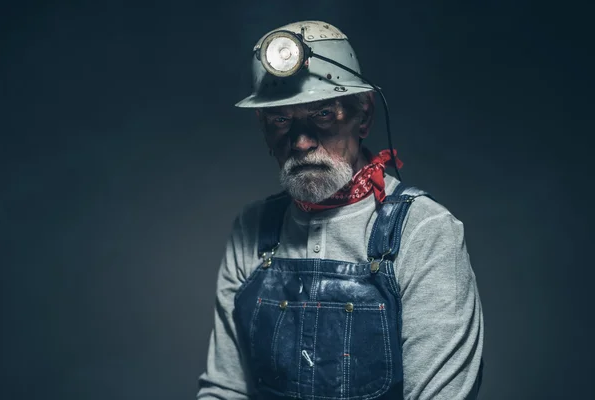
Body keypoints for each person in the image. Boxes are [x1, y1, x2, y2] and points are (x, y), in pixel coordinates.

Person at [197, 20, 484, 400]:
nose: (300, 142)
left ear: (363, 115)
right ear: (262, 126)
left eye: (322, 114)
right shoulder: (252, 229)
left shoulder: (423, 230)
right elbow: (225, 389)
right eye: (281, 119)